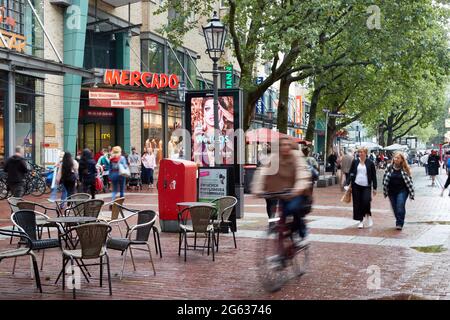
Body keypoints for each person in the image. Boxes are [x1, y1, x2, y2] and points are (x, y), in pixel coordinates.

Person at [252, 137, 312, 246]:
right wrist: (257, 189)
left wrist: (297, 190)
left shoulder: (297, 157)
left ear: (291, 146)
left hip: (298, 193)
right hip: (283, 193)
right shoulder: (273, 158)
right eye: (282, 145)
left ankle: (303, 233)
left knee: (293, 209)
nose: (285, 147)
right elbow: (262, 172)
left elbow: (302, 175)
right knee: (282, 219)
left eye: (287, 144)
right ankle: (280, 254)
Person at [192, 96, 234, 166]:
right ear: (203, 112)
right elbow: (196, 165)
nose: (212, 113)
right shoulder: (198, 136)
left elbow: (230, 161)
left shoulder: (228, 134)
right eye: (207, 108)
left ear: (222, 112)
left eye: (216, 108)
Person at [345, 146, 377, 229]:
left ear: (365, 153)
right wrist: (347, 183)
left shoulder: (370, 163)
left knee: (366, 201)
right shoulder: (355, 162)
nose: (360, 153)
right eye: (359, 152)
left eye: (362, 152)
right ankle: (360, 221)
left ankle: (368, 215)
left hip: (366, 186)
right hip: (356, 185)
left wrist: (375, 188)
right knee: (357, 203)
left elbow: (374, 176)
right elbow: (350, 173)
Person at [382, 152, 414, 230]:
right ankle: (399, 219)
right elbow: (384, 178)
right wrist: (385, 188)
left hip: (402, 190)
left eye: (398, 158)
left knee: (400, 205)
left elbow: (410, 181)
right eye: (395, 157)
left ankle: (399, 223)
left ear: (402, 160)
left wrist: (411, 192)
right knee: (395, 207)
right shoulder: (389, 167)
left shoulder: (405, 168)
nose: (396, 159)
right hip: (391, 191)